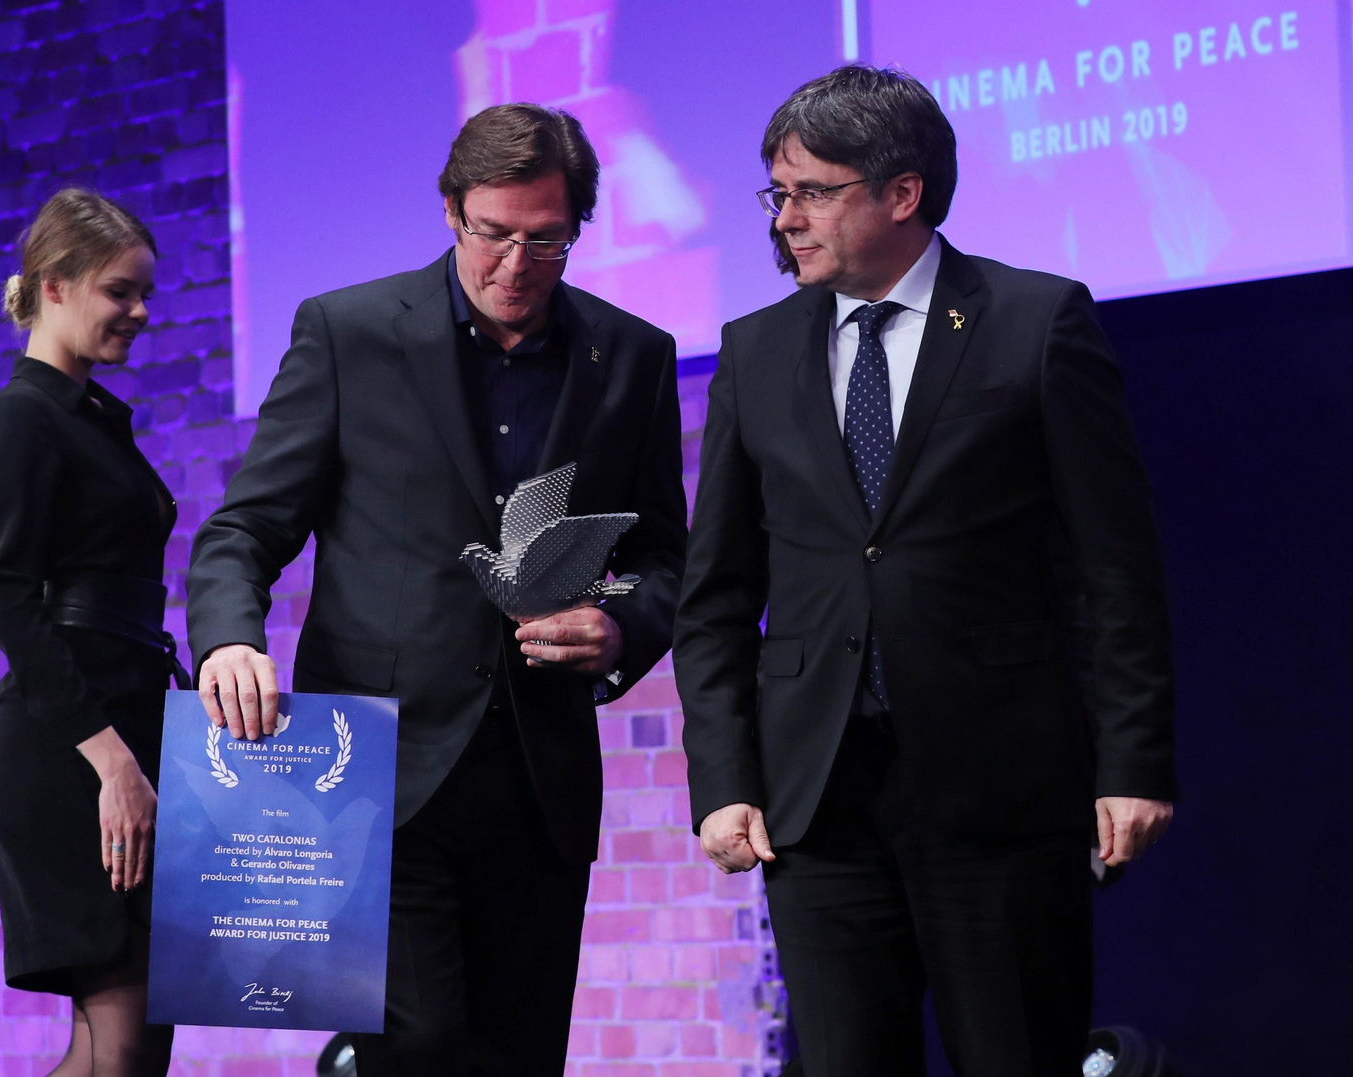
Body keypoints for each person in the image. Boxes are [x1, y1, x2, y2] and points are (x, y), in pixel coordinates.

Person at [674, 66, 1177, 1077]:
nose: (784, 221)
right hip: (818, 804)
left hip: (998, 789)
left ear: (900, 193)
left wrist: (1132, 764)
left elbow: (1113, 570)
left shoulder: (1034, 323)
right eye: (776, 195)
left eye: (809, 193)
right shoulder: (755, 351)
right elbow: (717, 596)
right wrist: (722, 781)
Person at [186, 103, 686, 1074]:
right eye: (492, 235)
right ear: (451, 211)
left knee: (518, 1054)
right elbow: (244, 528)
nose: (514, 266)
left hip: (537, 778)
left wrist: (621, 629)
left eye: (545, 243)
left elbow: (670, 561)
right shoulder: (349, 333)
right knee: (416, 1048)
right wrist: (227, 639)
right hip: (374, 773)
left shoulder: (630, 356)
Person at [0, 188, 182, 1076]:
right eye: (119, 291)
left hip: (126, 733)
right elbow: (11, 598)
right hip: (76, 756)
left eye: (144, 293)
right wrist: (112, 763)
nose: (140, 312)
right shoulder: (24, 416)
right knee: (125, 1044)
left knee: (132, 1040)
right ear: (53, 285)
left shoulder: (90, 415)